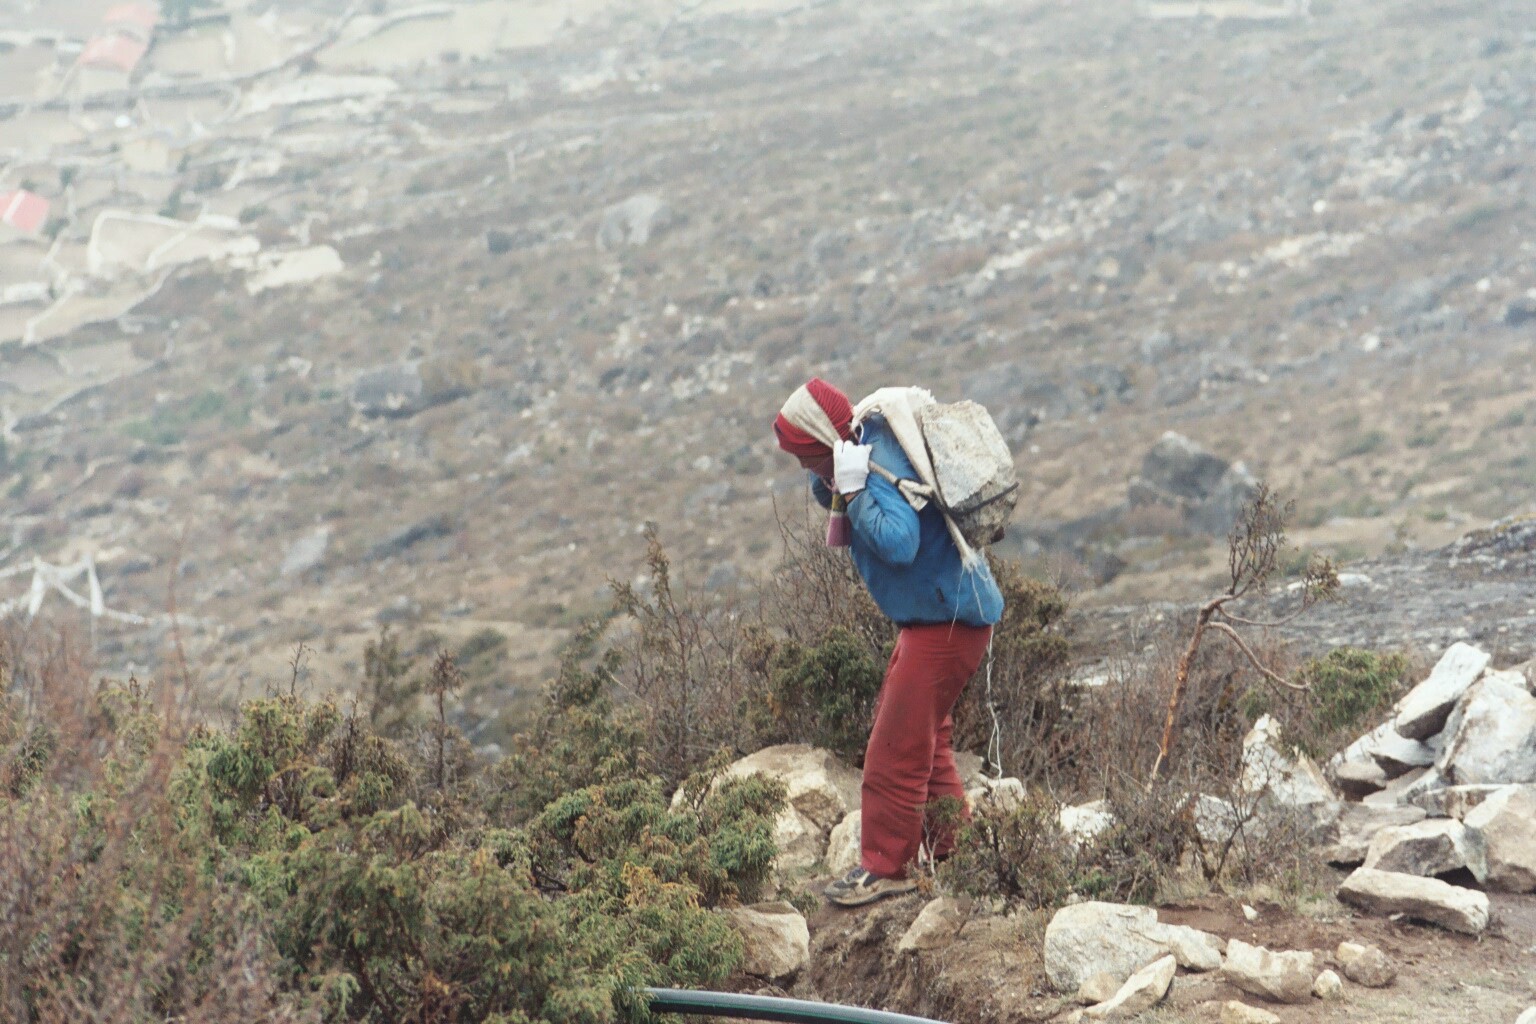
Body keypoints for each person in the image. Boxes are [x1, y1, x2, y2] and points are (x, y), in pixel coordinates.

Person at [773, 378, 1004, 907]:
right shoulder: (860, 447)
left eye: (804, 453)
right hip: (944, 618)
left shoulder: (875, 467)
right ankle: (955, 851)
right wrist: (836, 477)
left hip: (946, 624)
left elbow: (900, 542)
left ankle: (886, 867)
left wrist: (855, 490)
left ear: (820, 439)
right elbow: (833, 493)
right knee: (926, 738)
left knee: (894, 747)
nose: (802, 463)